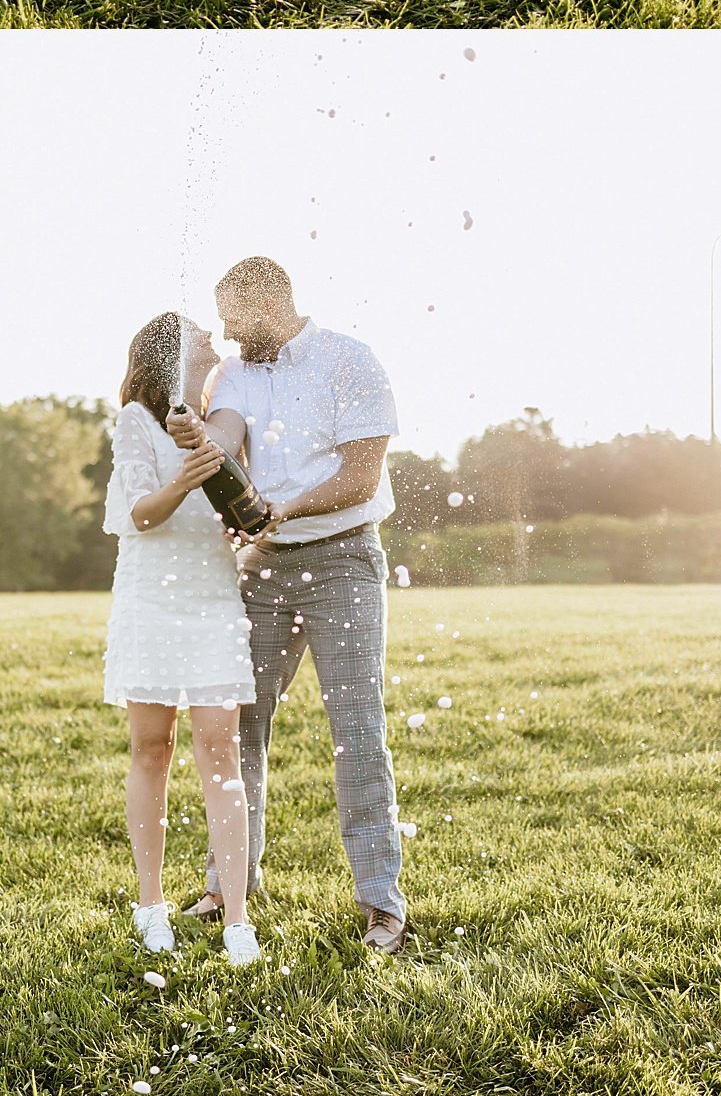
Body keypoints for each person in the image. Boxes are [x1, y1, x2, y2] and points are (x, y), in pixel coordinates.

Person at [165, 257, 409, 953]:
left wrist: (286, 508)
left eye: (238, 320)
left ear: (272, 302)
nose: (230, 336)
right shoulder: (239, 371)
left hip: (343, 559)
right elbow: (227, 436)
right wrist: (192, 434)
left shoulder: (350, 361)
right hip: (264, 569)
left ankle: (381, 906)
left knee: (357, 731)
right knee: (238, 727)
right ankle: (226, 889)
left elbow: (361, 479)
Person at [103, 310, 262, 967]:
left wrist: (247, 520)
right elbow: (141, 513)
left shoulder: (223, 427)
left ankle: (238, 919)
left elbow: (245, 517)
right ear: (171, 355)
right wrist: (184, 477)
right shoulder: (136, 422)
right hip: (150, 604)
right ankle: (150, 905)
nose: (215, 343)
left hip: (212, 602)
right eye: (203, 338)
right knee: (152, 747)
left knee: (219, 751)